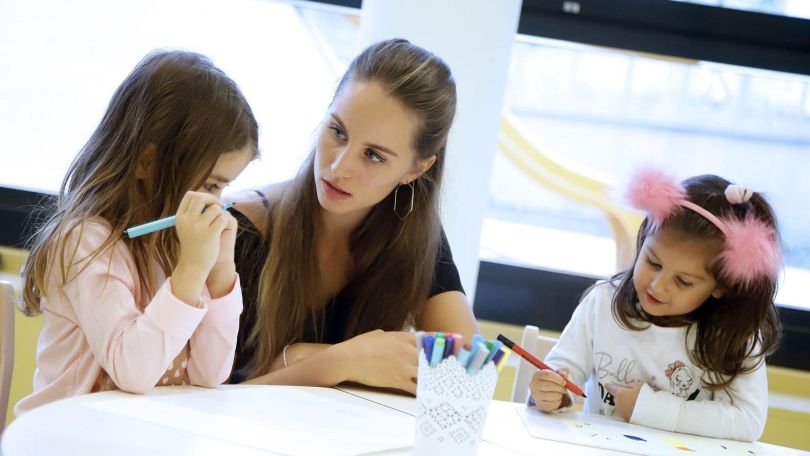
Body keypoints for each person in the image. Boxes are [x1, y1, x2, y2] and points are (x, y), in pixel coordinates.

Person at [15, 50, 258, 415]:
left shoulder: (172, 244)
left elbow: (210, 375)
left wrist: (221, 271)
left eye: (223, 189)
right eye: (210, 185)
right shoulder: (87, 242)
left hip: (136, 436)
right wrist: (191, 271)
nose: (217, 204)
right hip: (66, 439)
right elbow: (133, 371)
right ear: (147, 163)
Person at [228, 38, 478, 394]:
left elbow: (466, 369)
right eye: (338, 131)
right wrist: (342, 361)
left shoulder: (414, 235)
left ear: (416, 169)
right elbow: (208, 399)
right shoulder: (238, 230)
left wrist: (303, 357)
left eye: (374, 155)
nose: (338, 166)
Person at [529, 167, 782, 442]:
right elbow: (562, 371)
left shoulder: (734, 334)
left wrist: (649, 408)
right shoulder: (603, 303)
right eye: (653, 262)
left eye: (684, 281)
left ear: (721, 286)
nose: (657, 286)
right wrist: (553, 393)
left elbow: (748, 421)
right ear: (644, 239)